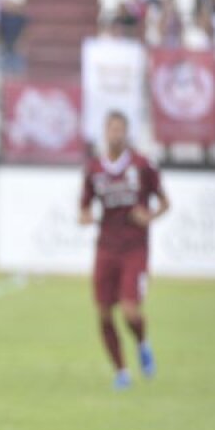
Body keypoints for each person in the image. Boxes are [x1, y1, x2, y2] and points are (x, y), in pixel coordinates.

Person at [78, 110, 170, 390]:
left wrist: (150, 216)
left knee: (130, 311)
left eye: (120, 129)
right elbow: (83, 208)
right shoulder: (94, 168)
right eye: (111, 129)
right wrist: (86, 217)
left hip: (134, 249)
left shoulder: (142, 165)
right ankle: (121, 371)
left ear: (126, 132)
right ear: (105, 133)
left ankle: (142, 342)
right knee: (105, 313)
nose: (115, 134)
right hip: (106, 248)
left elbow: (165, 202)